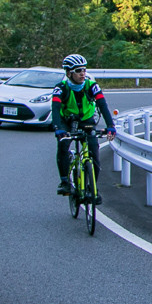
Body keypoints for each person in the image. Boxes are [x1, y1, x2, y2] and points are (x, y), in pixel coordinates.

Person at [52, 54, 117, 201]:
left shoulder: (91, 86)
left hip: (86, 120)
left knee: (94, 153)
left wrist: (110, 126)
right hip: (66, 121)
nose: (83, 73)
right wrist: (58, 129)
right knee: (63, 145)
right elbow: (55, 109)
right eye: (78, 70)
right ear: (69, 73)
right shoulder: (61, 88)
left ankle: (92, 189)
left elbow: (103, 105)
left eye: (84, 70)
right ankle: (64, 181)